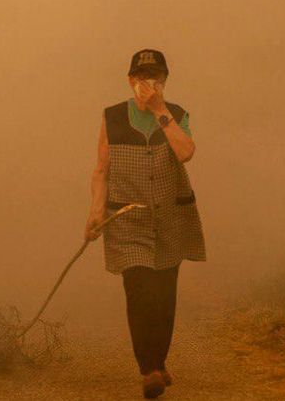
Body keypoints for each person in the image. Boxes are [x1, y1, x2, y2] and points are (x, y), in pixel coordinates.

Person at [84, 48, 207, 399]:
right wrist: (95, 211)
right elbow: (101, 169)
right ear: (129, 80)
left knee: (164, 294)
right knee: (139, 290)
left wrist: (159, 112)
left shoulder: (176, 114)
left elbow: (185, 152)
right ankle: (149, 369)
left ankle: (159, 360)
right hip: (128, 218)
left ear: (164, 82)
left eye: (154, 79)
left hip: (170, 215)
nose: (146, 85)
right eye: (140, 78)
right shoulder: (112, 117)